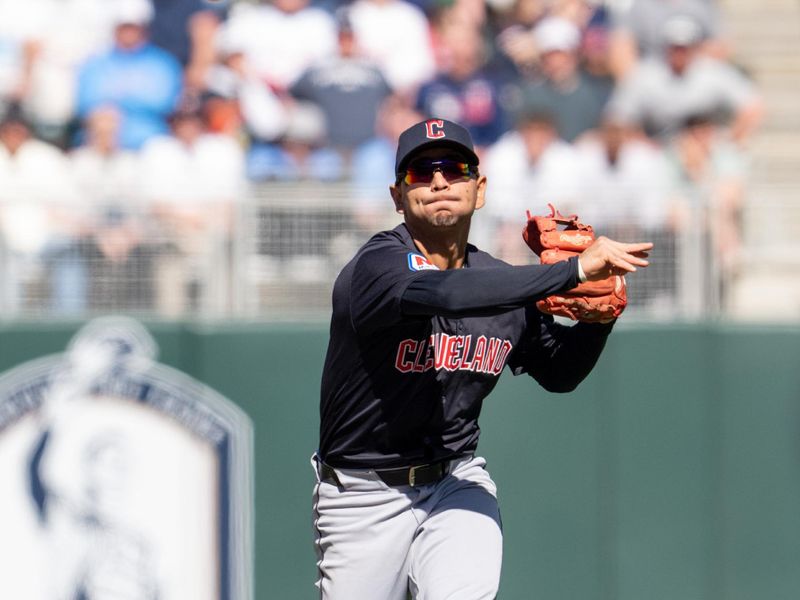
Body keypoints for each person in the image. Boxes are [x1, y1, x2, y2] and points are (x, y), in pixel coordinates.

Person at [311, 118, 653, 599]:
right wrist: (572, 270)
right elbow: (446, 293)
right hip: (364, 494)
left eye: (454, 169)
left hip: (455, 482)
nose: (438, 181)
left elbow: (559, 373)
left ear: (480, 188)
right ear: (396, 196)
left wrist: (599, 321)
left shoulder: (500, 282)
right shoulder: (377, 267)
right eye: (420, 172)